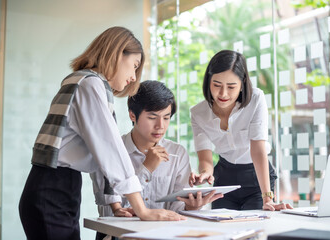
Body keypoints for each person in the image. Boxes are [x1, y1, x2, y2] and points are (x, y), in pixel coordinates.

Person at [18, 27, 185, 240]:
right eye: (134, 66)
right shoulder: (90, 84)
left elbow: (101, 154)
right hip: (53, 189)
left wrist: (115, 205)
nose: (134, 77)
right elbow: (110, 151)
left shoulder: (79, 80)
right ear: (117, 55)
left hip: (56, 187)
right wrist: (142, 209)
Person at [92, 80, 222, 240]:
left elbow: (176, 211)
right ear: (132, 115)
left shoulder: (177, 153)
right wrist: (146, 169)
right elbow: (111, 213)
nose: (160, 125)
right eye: (152, 117)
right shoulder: (112, 152)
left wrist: (190, 207)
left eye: (166, 118)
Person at [189, 50, 293, 211]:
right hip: (224, 178)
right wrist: (205, 173)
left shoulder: (256, 99)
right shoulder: (198, 113)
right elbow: (205, 157)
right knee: (223, 230)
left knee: (256, 229)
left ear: (243, 83)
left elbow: (258, 150)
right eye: (216, 85)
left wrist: (267, 197)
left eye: (231, 87)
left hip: (256, 176)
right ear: (208, 81)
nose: (223, 93)